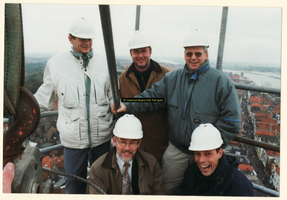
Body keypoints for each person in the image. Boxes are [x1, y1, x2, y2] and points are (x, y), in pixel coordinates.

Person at [112, 29, 241, 194]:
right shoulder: (173, 79)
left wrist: (211, 148)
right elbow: (152, 98)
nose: (193, 57)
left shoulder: (220, 81)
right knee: (165, 189)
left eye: (197, 53)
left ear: (206, 55)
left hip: (205, 154)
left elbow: (232, 122)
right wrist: (127, 104)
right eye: (189, 54)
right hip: (177, 150)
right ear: (184, 55)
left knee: (203, 191)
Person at [34, 16, 114, 194]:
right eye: (82, 39)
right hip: (73, 141)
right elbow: (44, 96)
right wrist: (25, 112)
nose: (87, 43)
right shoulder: (56, 64)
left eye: (89, 39)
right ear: (71, 38)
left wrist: (115, 103)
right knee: (73, 183)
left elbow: (111, 95)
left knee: (102, 182)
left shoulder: (104, 63)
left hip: (101, 136)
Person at [118, 31, 170, 164]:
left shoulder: (166, 75)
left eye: (144, 51)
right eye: (136, 51)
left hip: (159, 141)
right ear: (131, 53)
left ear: (150, 51)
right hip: (133, 143)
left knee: (157, 177)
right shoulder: (123, 79)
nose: (140, 55)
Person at [89, 114, 165, 194]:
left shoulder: (152, 164)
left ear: (139, 143)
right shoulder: (97, 169)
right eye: (122, 142)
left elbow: (159, 195)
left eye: (132, 143)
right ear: (114, 141)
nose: (127, 148)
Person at [175, 123, 254, 196]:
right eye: (197, 153)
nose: (201, 160)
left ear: (219, 153)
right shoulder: (192, 173)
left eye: (208, 154)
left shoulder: (238, 185)